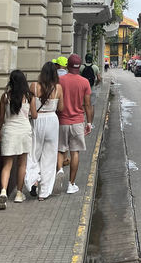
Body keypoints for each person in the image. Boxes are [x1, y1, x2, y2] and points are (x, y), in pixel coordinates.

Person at [0, 70, 37, 209]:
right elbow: (34, 115)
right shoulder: (29, 96)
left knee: (7, 165)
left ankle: (3, 192)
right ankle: (19, 194)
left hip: (9, 131)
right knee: (22, 164)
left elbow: (1, 118)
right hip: (24, 131)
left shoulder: (5, 97)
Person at [25, 61, 64, 200]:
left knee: (33, 154)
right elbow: (60, 108)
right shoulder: (58, 88)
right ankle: (44, 193)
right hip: (52, 121)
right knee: (49, 157)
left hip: (37, 121)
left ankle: (33, 181)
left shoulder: (34, 86)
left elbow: (29, 106)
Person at [57, 54, 93, 194]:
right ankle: (71, 184)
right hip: (77, 121)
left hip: (62, 120)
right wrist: (89, 123)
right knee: (75, 152)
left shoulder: (60, 80)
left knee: (60, 150)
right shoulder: (84, 82)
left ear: (67, 65)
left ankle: (59, 170)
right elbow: (88, 104)